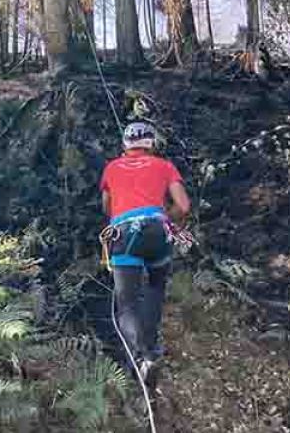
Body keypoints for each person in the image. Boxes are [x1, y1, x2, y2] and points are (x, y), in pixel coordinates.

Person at [99, 122, 191, 383]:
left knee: (127, 303)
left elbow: (107, 207)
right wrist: (165, 218)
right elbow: (183, 206)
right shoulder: (164, 166)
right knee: (155, 288)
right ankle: (151, 353)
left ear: (125, 145)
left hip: (124, 233)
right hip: (158, 230)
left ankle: (139, 357)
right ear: (151, 143)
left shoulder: (112, 168)